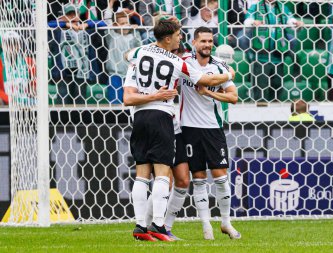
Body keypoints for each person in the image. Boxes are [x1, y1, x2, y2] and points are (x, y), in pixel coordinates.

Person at [123, 19, 235, 241]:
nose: (180, 38)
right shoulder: (178, 62)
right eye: (177, 35)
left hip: (139, 116)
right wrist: (230, 74)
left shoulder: (138, 54)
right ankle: (158, 225)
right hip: (162, 117)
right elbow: (204, 79)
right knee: (164, 174)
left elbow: (127, 59)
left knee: (142, 174)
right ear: (167, 38)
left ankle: (140, 227)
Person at [180, 27, 241, 240]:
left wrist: (210, 94)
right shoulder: (185, 63)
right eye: (203, 41)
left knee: (221, 178)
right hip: (188, 128)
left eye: (210, 41)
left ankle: (226, 222)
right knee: (198, 179)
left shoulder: (219, 65)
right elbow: (202, 81)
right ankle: (206, 227)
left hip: (213, 127)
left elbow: (233, 97)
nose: (207, 44)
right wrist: (224, 77)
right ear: (195, 42)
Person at [244, 0, 303, 102]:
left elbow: (290, 20)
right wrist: (253, 22)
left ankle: (276, 111)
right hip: (261, 57)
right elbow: (247, 20)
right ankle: (260, 112)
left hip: (278, 55)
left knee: (277, 86)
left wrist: (296, 23)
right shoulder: (255, 7)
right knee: (260, 87)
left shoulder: (282, 7)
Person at [48, 4, 107, 105]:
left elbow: (103, 24)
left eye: (75, 14)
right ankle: (62, 120)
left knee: (80, 101)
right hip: (63, 73)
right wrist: (66, 25)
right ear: (63, 16)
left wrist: (87, 24)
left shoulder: (87, 30)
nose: (73, 17)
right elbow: (48, 24)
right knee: (63, 100)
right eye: (69, 15)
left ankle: (78, 120)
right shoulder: (57, 31)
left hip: (82, 71)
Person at [104, 2, 142, 104]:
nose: (125, 26)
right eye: (122, 24)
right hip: (115, 75)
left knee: (131, 104)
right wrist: (110, 5)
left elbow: (139, 47)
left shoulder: (133, 36)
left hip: (130, 76)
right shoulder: (112, 36)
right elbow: (107, 21)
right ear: (116, 25)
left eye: (127, 23)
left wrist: (135, 30)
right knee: (115, 104)